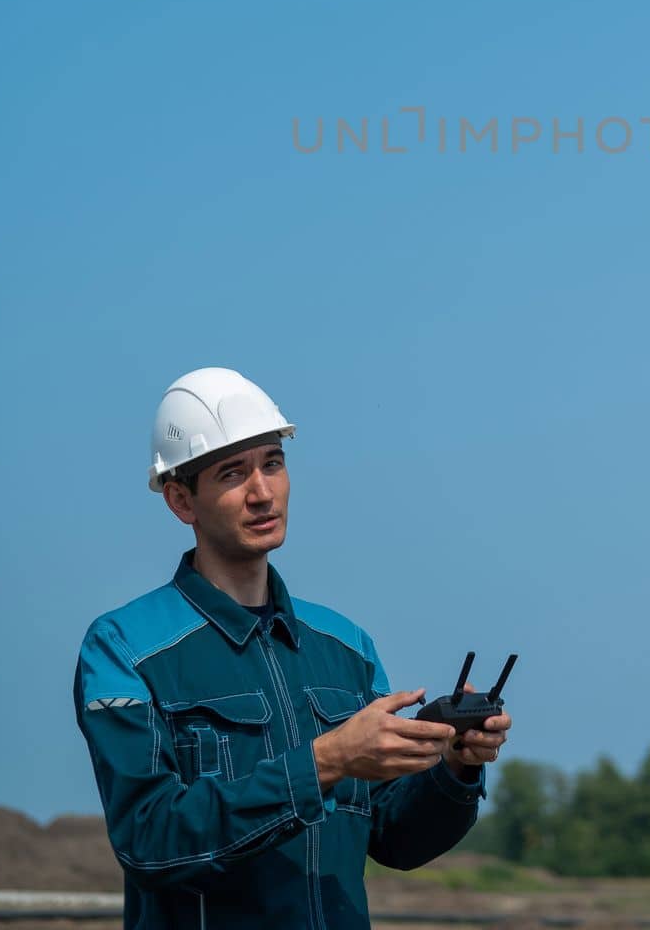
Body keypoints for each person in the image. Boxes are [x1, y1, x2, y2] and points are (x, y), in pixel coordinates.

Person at [74, 367, 512, 929]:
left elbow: (395, 838)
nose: (262, 492)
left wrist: (455, 770)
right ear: (182, 501)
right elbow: (150, 841)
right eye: (232, 473)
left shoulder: (346, 647)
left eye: (272, 464)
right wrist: (324, 762)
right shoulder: (123, 647)